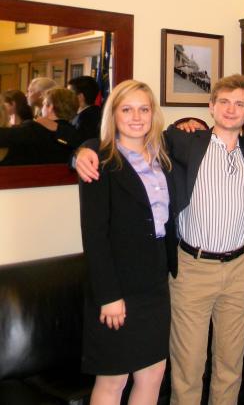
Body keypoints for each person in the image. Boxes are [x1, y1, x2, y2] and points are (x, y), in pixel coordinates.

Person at [77, 74, 244, 405]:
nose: (231, 109)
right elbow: (96, 228)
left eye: (240, 104)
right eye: (224, 102)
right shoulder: (183, 143)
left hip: (236, 269)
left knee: (227, 367)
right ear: (210, 107)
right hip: (191, 269)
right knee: (186, 370)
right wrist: (82, 150)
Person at [78, 79, 176, 405]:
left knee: (153, 374)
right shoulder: (99, 160)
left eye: (144, 109)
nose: (136, 117)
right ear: (113, 114)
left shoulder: (162, 156)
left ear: (153, 114)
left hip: (155, 284)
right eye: (127, 109)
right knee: (114, 379)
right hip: (118, 288)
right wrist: (109, 296)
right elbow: (94, 235)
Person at [0, 87, 81, 165]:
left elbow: (5, 136)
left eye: (44, 104)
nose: (42, 109)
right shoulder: (72, 134)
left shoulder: (34, 128)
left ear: (50, 107)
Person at [68, 75, 102, 141]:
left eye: (69, 94)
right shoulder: (96, 112)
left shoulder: (86, 119)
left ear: (80, 97)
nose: (66, 97)